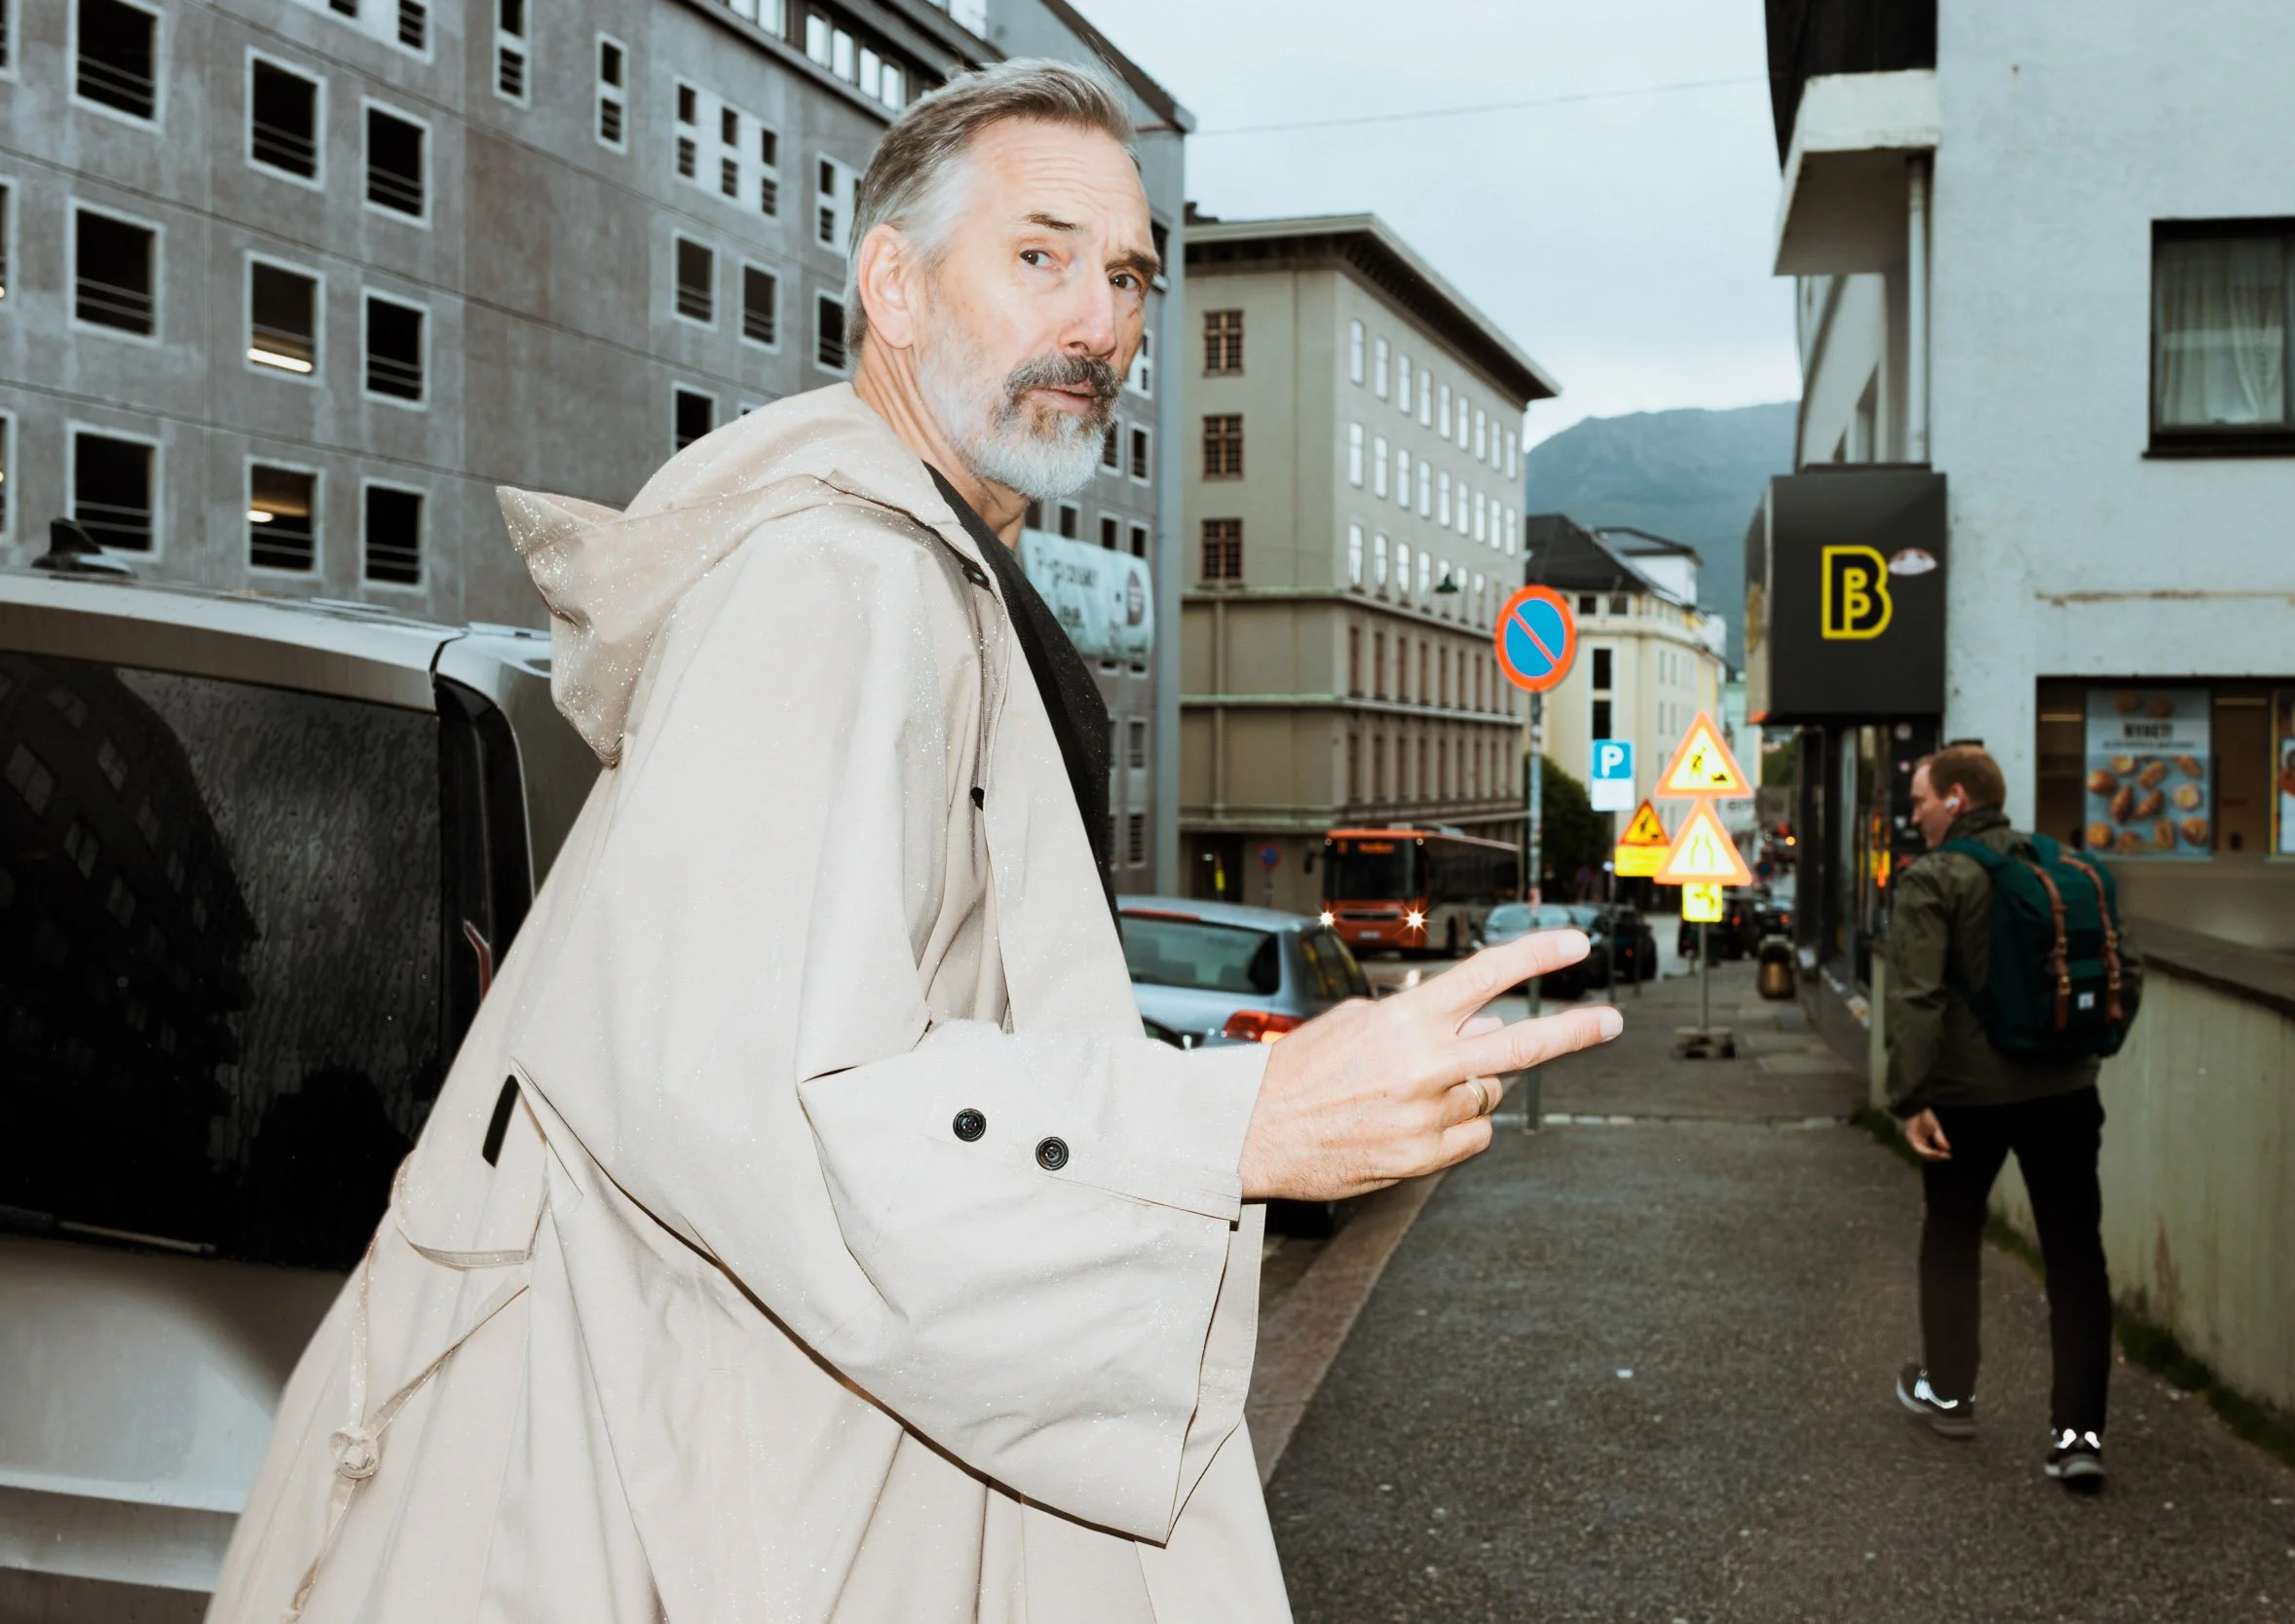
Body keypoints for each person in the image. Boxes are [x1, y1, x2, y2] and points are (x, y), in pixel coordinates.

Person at [207, 60, 1620, 1624]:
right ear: (893, 283)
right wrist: (1233, 1117)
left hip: (764, 1435)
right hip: (662, 1482)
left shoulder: (930, 567)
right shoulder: (835, 579)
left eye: (1130, 274)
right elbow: (758, 1091)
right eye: (1042, 254)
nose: (1100, 319)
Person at [1884, 744, 2141, 1492]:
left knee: (1952, 1237)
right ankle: (2078, 1436)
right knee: (2075, 1257)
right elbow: (2130, 966)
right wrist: (2091, 1053)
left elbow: (1917, 997)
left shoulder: (1935, 877)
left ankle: (1953, 1396)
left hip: (1968, 1097)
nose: (1915, 813)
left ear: (1957, 799)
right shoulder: (2065, 867)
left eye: (1922, 799)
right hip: (2065, 1092)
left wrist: (1909, 1097)